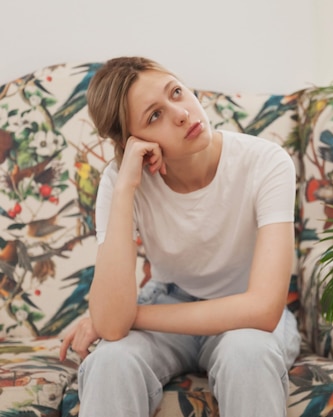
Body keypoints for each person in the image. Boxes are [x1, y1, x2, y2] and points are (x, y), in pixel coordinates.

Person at [59, 56, 301, 417]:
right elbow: (111, 325)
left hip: (244, 312)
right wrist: (125, 187)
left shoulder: (267, 163)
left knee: (249, 356)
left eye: (176, 92)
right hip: (168, 299)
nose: (182, 113)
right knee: (111, 363)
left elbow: (264, 310)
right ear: (132, 142)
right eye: (154, 115)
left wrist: (132, 315)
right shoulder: (121, 182)